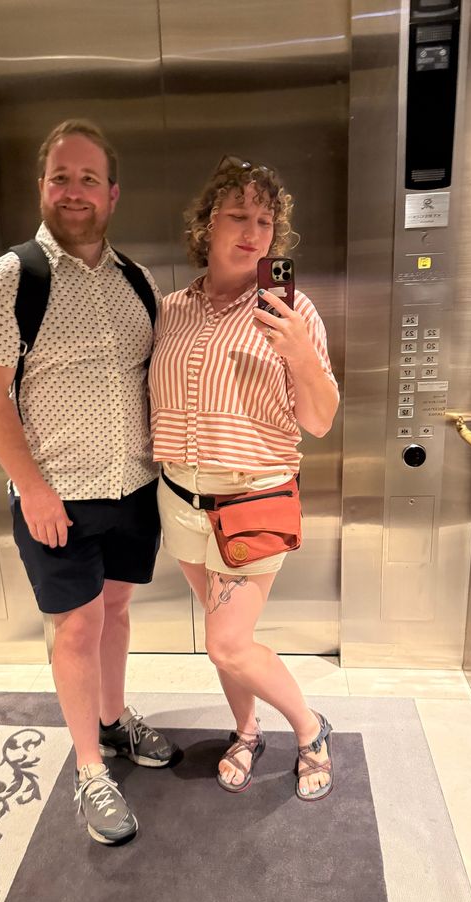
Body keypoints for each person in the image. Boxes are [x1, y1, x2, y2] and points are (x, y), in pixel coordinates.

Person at [0, 119, 178, 846]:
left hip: (134, 489)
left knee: (115, 611)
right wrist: (33, 489)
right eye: (62, 176)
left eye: (89, 178)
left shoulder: (138, 282)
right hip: (56, 495)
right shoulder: (10, 279)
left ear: (112, 193)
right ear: (42, 187)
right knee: (77, 627)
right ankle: (90, 770)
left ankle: (113, 722)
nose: (75, 191)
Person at [148, 156, 340, 800]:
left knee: (226, 644)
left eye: (265, 219)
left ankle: (310, 728)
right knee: (223, 631)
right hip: (179, 499)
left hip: (253, 497)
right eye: (238, 215)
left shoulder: (292, 311)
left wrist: (299, 356)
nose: (253, 230)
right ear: (207, 224)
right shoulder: (170, 309)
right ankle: (246, 728)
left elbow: (319, 420)